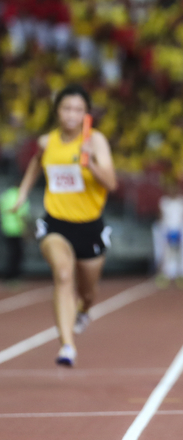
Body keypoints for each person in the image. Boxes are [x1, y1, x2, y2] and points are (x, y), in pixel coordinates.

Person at [12, 84, 117, 366]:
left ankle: (83, 310)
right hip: (56, 223)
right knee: (61, 273)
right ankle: (67, 345)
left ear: (86, 114)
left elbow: (112, 183)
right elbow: (36, 162)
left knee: (88, 293)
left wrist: (90, 162)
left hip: (90, 226)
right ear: (57, 111)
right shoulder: (47, 141)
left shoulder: (95, 141)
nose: (71, 114)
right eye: (66, 108)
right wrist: (23, 192)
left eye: (78, 109)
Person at [156, 181, 183, 288]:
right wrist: (163, 230)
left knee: (180, 254)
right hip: (168, 230)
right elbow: (161, 216)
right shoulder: (164, 202)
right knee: (166, 254)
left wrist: (182, 230)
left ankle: (181, 275)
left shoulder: (182, 202)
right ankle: (165, 275)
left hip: (179, 230)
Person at [1, 186, 30, 281]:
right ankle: (13, 276)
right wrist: (25, 230)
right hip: (17, 230)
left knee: (11, 254)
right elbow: (21, 215)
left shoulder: (7, 195)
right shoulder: (21, 196)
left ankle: (9, 276)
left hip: (6, 228)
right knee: (17, 254)